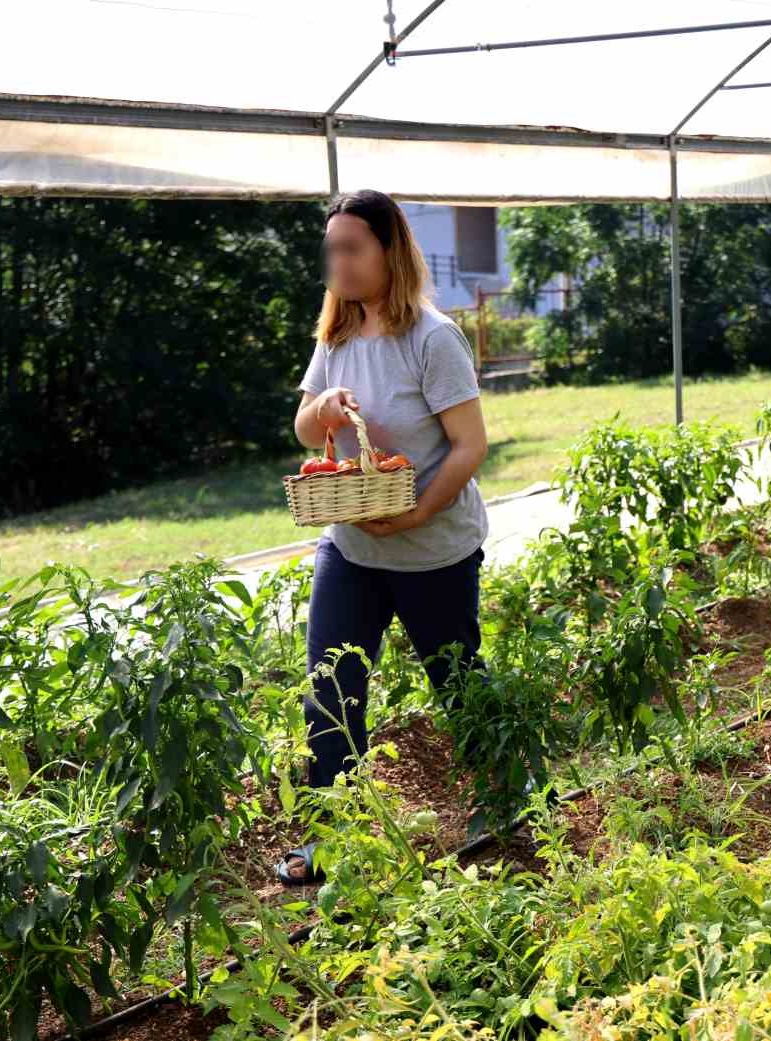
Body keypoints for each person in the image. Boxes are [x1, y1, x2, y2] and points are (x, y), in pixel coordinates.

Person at [276, 189, 490, 885]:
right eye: (331, 248)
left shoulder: (432, 337)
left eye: (351, 248)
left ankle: (513, 794)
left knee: (456, 681)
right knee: (331, 686)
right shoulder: (335, 337)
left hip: (431, 547)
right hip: (352, 544)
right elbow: (307, 426)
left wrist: (417, 512)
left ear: (389, 251)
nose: (337, 261)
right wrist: (324, 408)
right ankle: (331, 836)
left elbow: (468, 446)